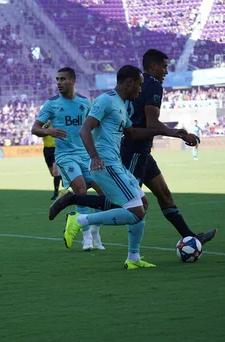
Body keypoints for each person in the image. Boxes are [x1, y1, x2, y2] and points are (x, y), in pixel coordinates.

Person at [61, 65, 198, 269]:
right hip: (105, 164)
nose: (141, 90)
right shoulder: (106, 100)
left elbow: (133, 133)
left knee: (142, 204)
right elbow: (85, 129)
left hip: (115, 163)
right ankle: (80, 220)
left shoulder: (122, 105)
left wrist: (175, 133)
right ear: (130, 82)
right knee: (135, 210)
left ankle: (133, 258)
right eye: (140, 85)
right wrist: (95, 157)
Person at [120, 49, 215, 243]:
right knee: (126, 202)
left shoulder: (138, 83)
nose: (166, 72)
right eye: (164, 67)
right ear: (153, 66)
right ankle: (82, 214)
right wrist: (179, 134)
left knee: (164, 194)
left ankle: (190, 237)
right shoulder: (153, 85)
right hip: (134, 151)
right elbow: (152, 123)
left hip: (142, 151)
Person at [31, 67, 105, 251]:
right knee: (80, 190)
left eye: (62, 79)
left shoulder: (84, 102)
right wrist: (49, 131)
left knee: (104, 193)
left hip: (85, 155)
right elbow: (35, 128)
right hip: (65, 156)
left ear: (72, 81)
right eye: (57, 79)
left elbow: (94, 126)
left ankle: (95, 230)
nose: (59, 82)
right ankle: (86, 236)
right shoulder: (52, 104)